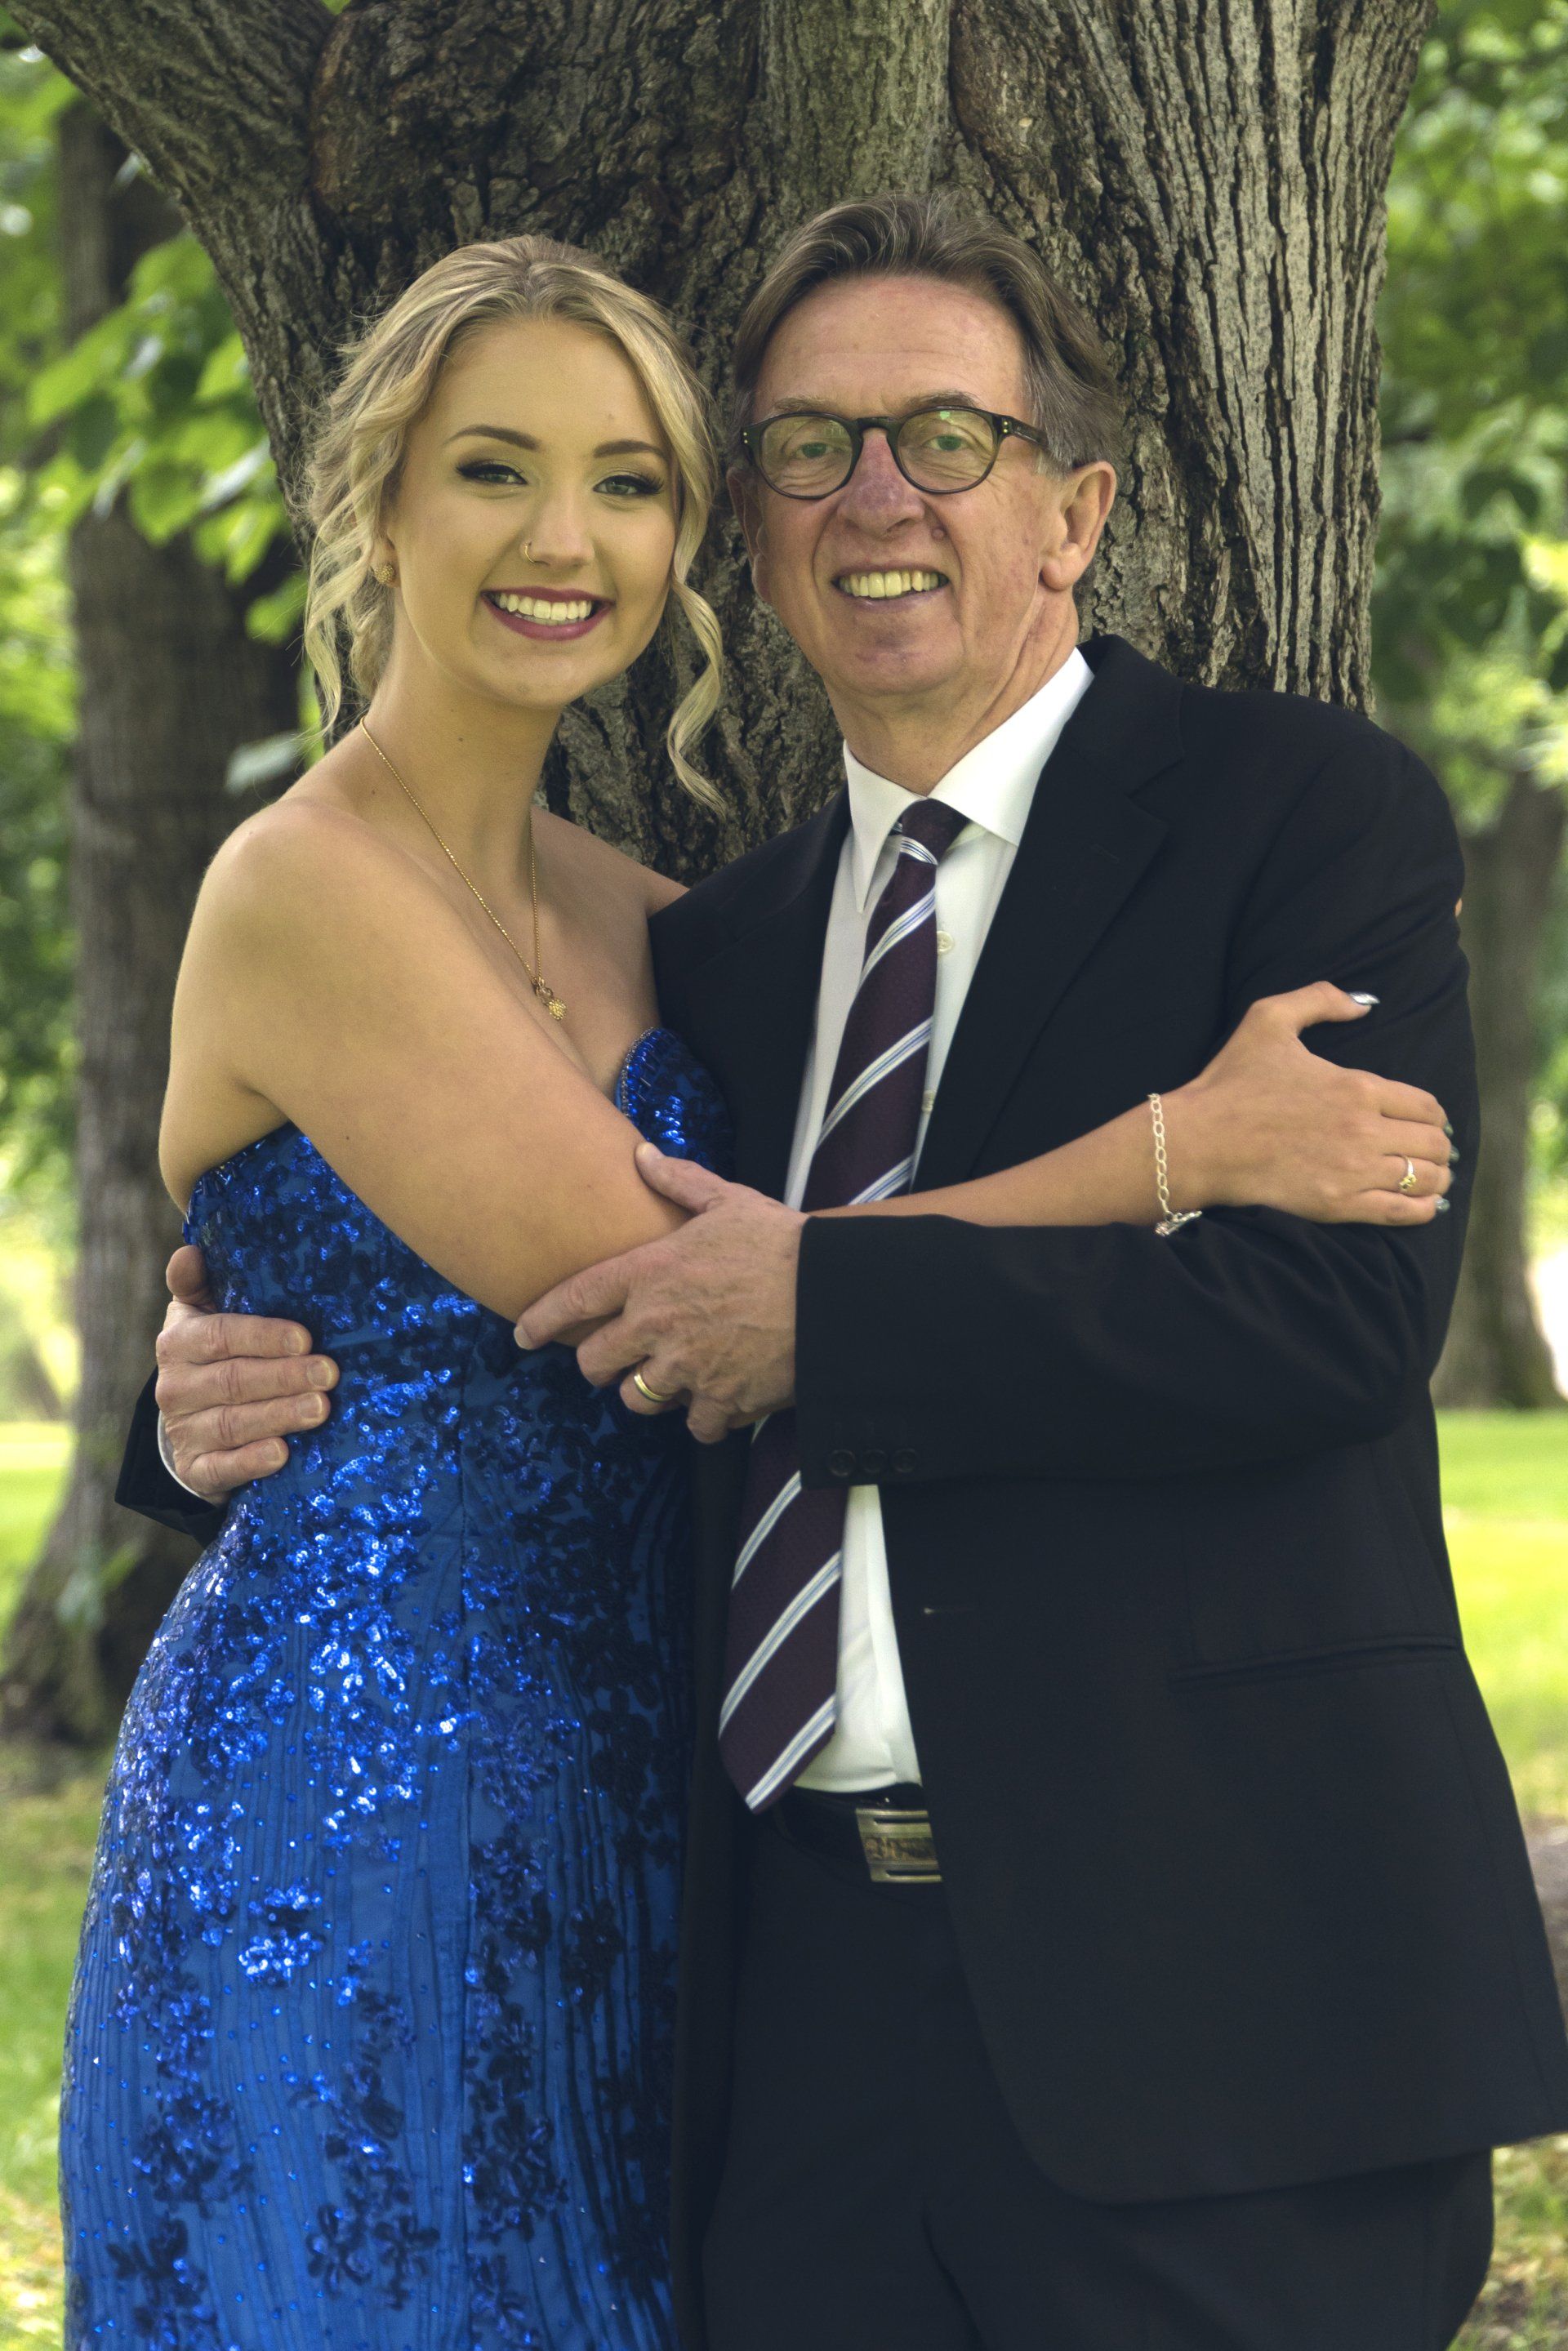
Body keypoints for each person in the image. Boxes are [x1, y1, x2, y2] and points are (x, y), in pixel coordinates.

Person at [105, 202, 1548, 2351]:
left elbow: (1332, 1332)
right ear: (763, 543)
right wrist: (1160, 1156)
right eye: (809, 448)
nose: (877, 496)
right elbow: (643, 1300)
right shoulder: (731, 946)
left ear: (1075, 515)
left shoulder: (1288, 818)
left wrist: (232, 1385)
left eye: (947, 437)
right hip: (735, 1998)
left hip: (1204, 2004)